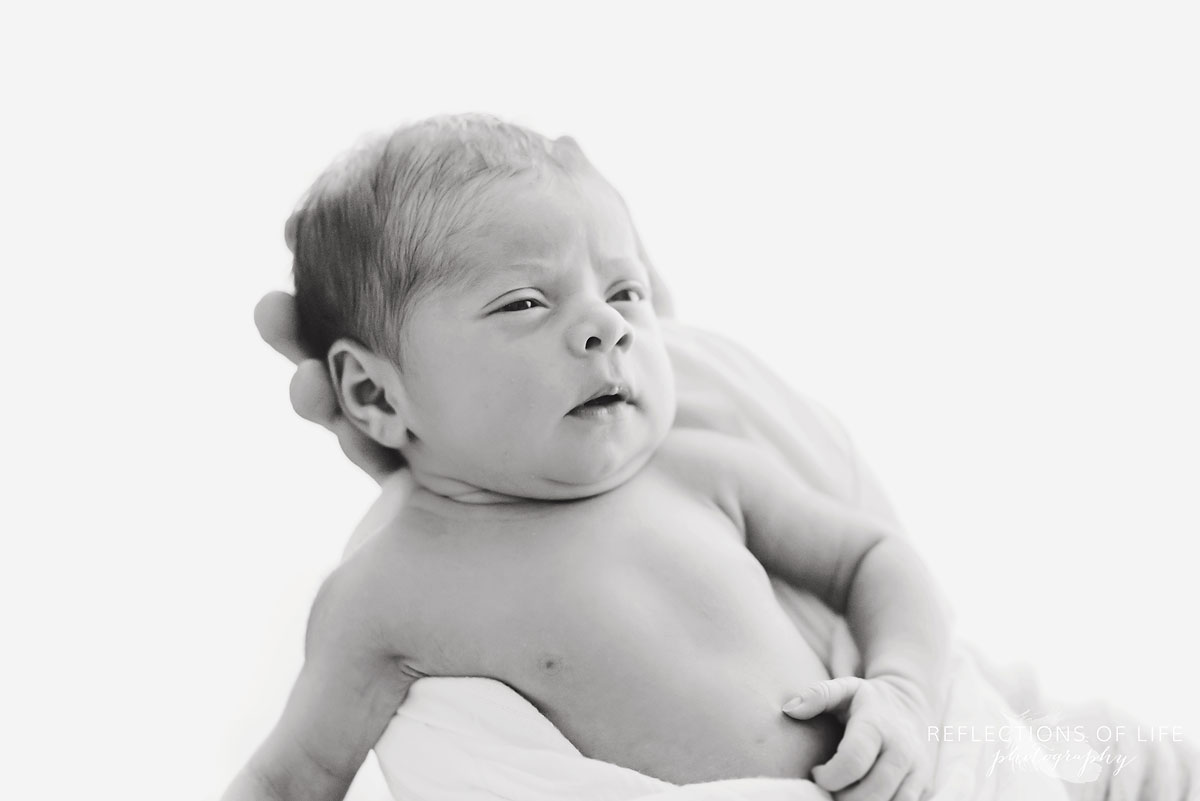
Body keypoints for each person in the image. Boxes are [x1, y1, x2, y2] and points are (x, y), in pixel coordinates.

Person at [225, 115, 950, 801]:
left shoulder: (696, 470)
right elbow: (289, 779)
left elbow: (876, 558)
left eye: (625, 290)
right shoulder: (387, 591)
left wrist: (904, 694)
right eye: (524, 302)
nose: (608, 325)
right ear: (371, 393)